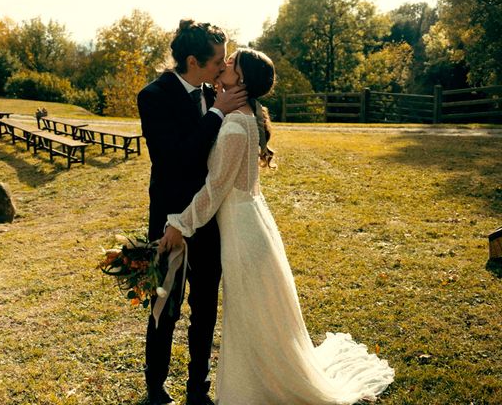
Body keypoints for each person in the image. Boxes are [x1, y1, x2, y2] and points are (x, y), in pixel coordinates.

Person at [159, 48, 395, 404]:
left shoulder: (236, 124)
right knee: (255, 313)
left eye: (232, 63)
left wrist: (180, 223)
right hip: (248, 221)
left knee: (250, 315)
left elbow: (216, 188)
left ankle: (264, 386)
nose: (224, 64)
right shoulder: (242, 113)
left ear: (241, 80)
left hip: (241, 230)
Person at [137, 19, 248, 405]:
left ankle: (197, 389)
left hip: (211, 217)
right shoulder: (153, 96)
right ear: (192, 61)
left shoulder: (214, 91)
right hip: (170, 217)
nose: (224, 65)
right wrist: (216, 113)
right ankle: (156, 388)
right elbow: (175, 159)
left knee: (204, 306)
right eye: (218, 59)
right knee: (164, 304)